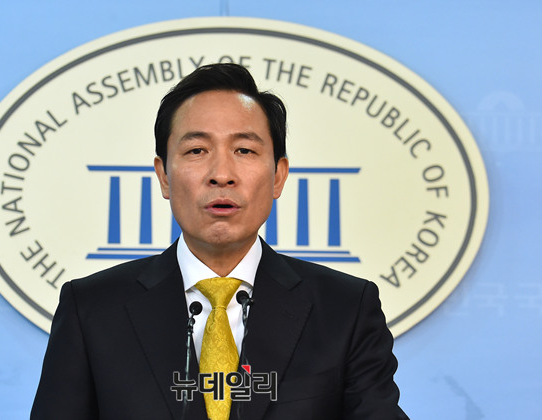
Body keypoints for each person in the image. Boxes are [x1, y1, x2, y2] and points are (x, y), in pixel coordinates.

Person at [31, 63, 408, 419]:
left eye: (244, 150)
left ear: (278, 176)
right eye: (197, 150)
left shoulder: (345, 310)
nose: (222, 174)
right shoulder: (91, 309)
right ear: (164, 176)